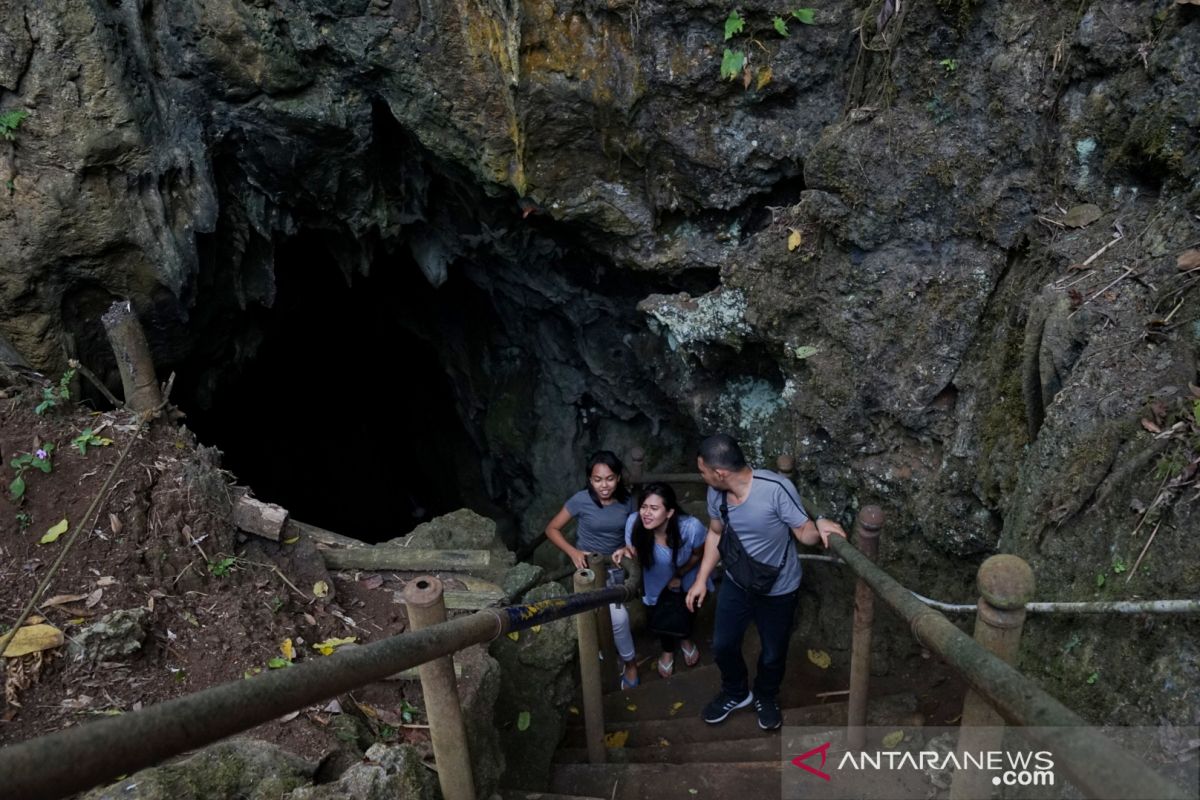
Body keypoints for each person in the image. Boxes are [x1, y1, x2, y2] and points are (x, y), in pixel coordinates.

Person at [685, 434, 846, 731]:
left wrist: (821, 523)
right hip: (737, 580)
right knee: (722, 645)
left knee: (773, 652)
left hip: (779, 589)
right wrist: (700, 579)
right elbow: (716, 533)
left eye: (703, 470)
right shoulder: (716, 493)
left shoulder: (775, 489)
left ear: (720, 473)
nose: (701, 475)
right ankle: (736, 692)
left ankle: (766, 695)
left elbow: (803, 533)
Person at [544, 451, 638, 684]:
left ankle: (630, 662)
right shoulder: (580, 500)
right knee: (589, 617)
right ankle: (606, 657)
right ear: (590, 479)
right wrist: (573, 552)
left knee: (619, 618)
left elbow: (637, 531)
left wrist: (628, 547)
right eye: (597, 480)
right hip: (586, 568)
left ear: (618, 478)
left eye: (609, 479)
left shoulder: (629, 502)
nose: (604, 485)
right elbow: (552, 529)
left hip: (614, 568)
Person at [611, 482, 711, 685]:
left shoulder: (690, 528)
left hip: (687, 574)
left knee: (688, 607)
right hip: (654, 577)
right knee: (660, 612)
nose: (646, 513)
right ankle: (667, 650)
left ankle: (685, 637)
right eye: (644, 507)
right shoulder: (635, 522)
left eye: (654, 508)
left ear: (669, 512)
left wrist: (680, 574)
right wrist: (625, 551)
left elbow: (699, 554)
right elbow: (634, 550)